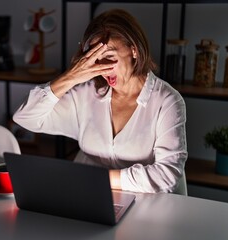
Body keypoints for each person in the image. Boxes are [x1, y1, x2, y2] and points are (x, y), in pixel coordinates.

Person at [13, 8, 187, 193]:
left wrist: (102, 179)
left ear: (134, 50)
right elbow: (25, 117)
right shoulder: (87, 93)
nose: (103, 69)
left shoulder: (167, 101)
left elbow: (167, 175)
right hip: (89, 197)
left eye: (110, 58)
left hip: (145, 204)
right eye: (96, 60)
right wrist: (70, 77)